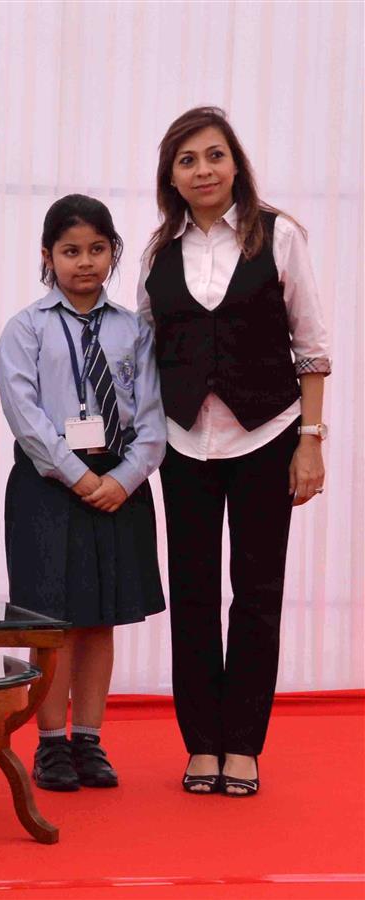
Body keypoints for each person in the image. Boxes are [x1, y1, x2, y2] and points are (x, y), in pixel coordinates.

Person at [138, 107, 330, 797]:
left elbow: (311, 348)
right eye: (188, 160)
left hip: (267, 434)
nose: (203, 170)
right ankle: (201, 745)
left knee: (257, 595)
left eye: (214, 156)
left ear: (235, 163)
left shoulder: (280, 238)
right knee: (191, 595)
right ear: (172, 176)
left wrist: (310, 443)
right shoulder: (158, 251)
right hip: (184, 442)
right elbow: (144, 351)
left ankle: (243, 744)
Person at [0, 194, 166, 792]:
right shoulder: (26, 328)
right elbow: (26, 416)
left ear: (113, 253)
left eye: (97, 250)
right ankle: (49, 744)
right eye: (71, 251)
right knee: (55, 622)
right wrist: (80, 477)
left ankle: (89, 739)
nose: (85, 263)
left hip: (120, 486)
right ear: (48, 256)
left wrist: (122, 478)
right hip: (49, 489)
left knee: (102, 621)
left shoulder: (133, 329)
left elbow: (153, 413)